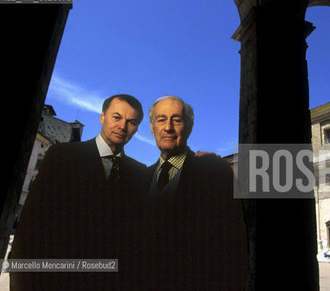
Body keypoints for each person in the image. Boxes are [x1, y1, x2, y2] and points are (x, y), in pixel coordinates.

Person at [10, 94, 149, 290]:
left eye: (131, 122)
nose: (122, 126)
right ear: (102, 117)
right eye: (116, 117)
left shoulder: (140, 173)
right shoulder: (62, 156)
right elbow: (29, 229)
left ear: (136, 128)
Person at [144, 95, 250, 290]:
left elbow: (235, 248)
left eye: (176, 120)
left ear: (189, 127)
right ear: (152, 128)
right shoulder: (139, 178)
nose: (168, 127)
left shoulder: (214, 172)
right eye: (161, 119)